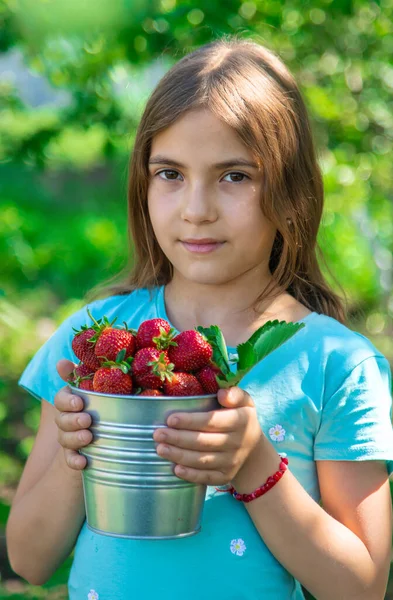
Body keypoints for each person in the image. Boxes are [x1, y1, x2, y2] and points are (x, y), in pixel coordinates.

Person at [6, 35, 393, 600]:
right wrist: (82, 453)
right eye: (170, 174)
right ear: (143, 183)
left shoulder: (337, 365)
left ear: (291, 190)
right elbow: (29, 558)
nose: (196, 209)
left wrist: (257, 467)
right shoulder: (95, 343)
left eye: (235, 175)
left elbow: (360, 588)